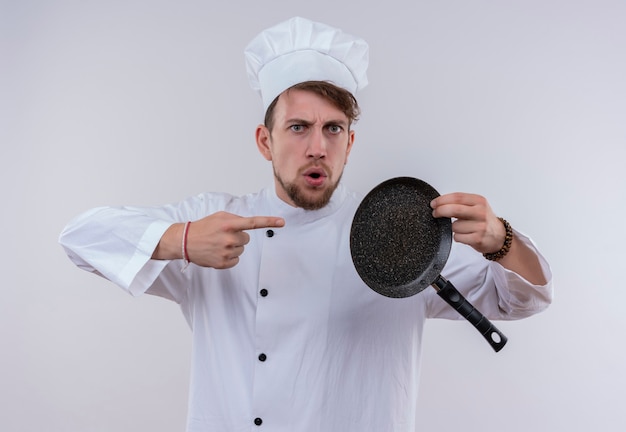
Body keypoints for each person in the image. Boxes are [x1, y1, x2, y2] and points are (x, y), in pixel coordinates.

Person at [59, 16, 553, 432]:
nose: (317, 146)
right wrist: (182, 240)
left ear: (350, 143)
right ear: (265, 141)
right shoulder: (217, 222)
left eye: (332, 128)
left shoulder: (393, 236)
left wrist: (500, 240)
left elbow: (524, 298)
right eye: (298, 127)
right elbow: (80, 239)